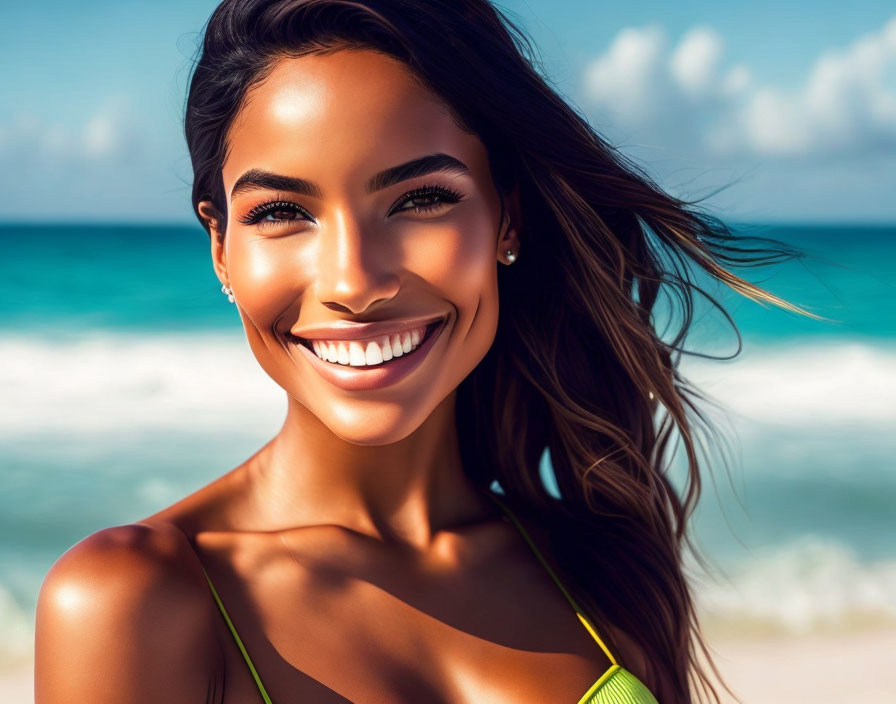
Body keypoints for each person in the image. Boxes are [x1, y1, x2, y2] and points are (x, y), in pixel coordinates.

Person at [34, 1, 815, 702]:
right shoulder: (136, 600)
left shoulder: (603, 570)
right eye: (282, 211)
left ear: (506, 219)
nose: (354, 280)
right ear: (220, 248)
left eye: (420, 199)